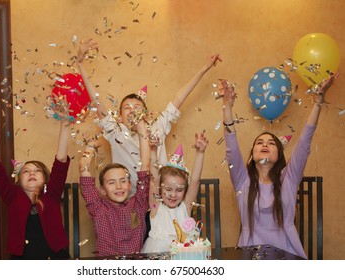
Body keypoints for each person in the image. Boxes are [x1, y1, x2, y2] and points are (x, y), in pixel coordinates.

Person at [77, 38, 221, 191]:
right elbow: (97, 103)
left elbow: (179, 98)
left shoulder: (157, 126)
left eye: (137, 107)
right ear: (119, 116)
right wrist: (80, 64)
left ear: (145, 114)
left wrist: (205, 67)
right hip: (128, 202)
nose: (132, 110)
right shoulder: (115, 131)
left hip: (159, 199)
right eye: (127, 108)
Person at [221, 73, 339, 259]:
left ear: (279, 154)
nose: (265, 144)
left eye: (271, 143)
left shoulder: (289, 178)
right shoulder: (242, 180)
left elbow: (304, 143)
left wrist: (317, 103)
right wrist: (227, 107)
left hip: (288, 255)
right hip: (251, 257)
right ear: (252, 154)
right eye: (260, 142)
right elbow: (231, 149)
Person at [0, 91, 71, 260]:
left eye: (37, 171)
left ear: (46, 179)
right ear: (18, 181)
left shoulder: (51, 194)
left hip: (56, 258)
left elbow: (61, 160)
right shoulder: (12, 196)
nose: (31, 172)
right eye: (26, 171)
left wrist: (65, 122)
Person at [79, 117, 150, 256]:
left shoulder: (139, 204)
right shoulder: (98, 206)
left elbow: (145, 167)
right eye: (111, 182)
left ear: (130, 185)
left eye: (123, 181)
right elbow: (84, 167)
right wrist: (92, 143)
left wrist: (142, 131)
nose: (118, 186)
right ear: (102, 190)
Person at [141, 131, 208, 253]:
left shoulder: (185, 206)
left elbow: (195, 181)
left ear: (185, 190)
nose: (173, 194)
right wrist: (153, 151)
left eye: (179, 190)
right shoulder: (156, 206)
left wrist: (200, 153)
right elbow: (154, 180)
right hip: (157, 254)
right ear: (160, 189)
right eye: (168, 189)